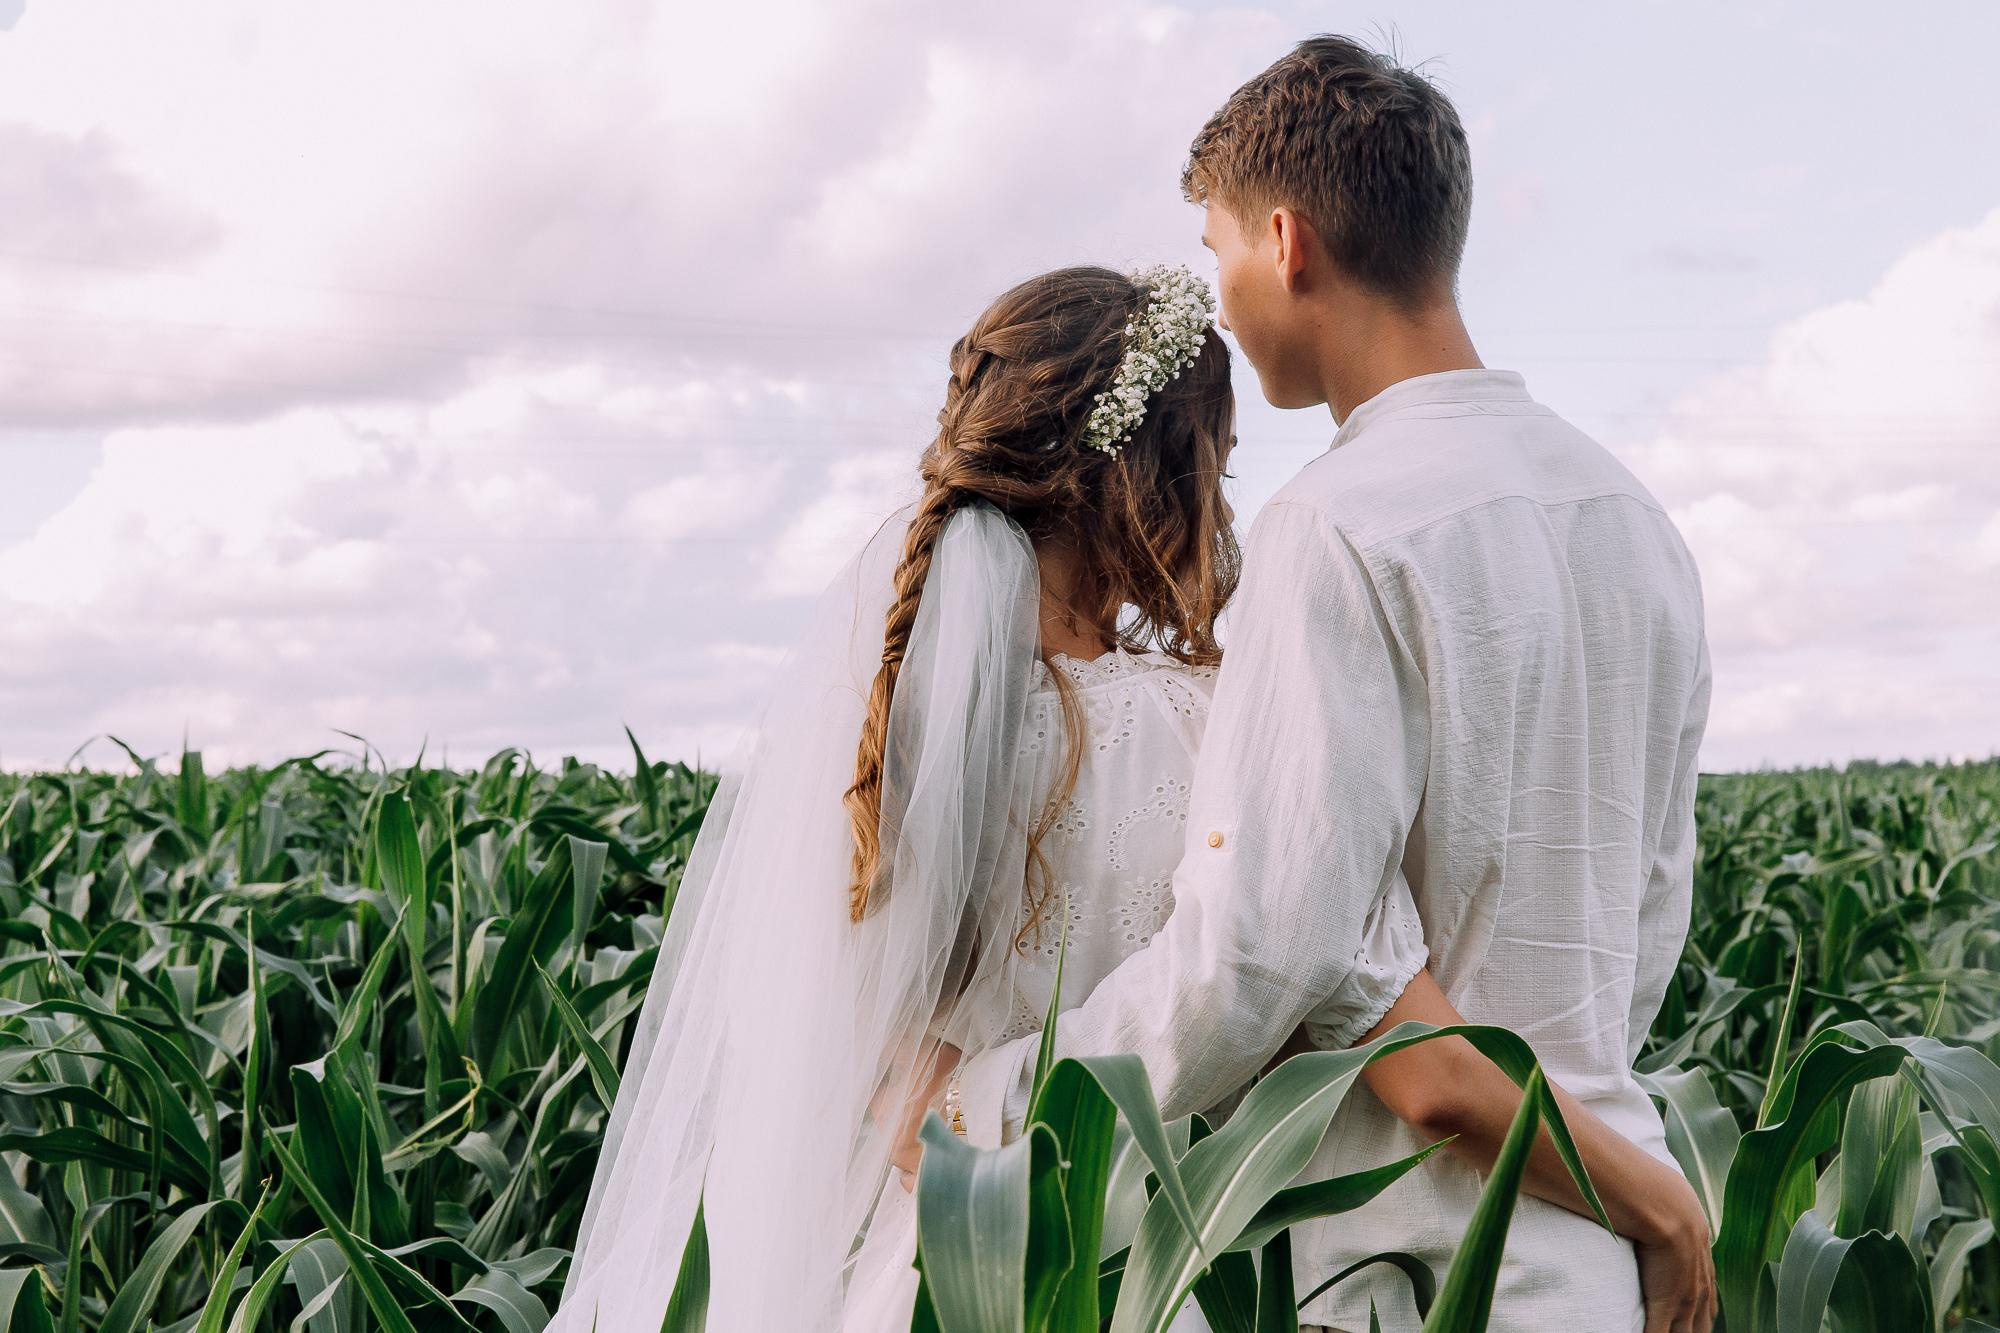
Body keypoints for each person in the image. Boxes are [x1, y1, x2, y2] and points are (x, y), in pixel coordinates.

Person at [946, 35, 1719, 1333]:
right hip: (1593, 1266)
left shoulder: (1335, 529)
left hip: (1407, 1274)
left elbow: (1255, 953)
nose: (1223, 306)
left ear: (1288, 243)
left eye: (1219, 254)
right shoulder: (1640, 526)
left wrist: (993, 1097)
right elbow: (1645, 926)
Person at [549, 262, 1253, 1331]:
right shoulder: (1200, 723)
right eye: (1215, 466)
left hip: (927, 1247)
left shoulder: (885, 716)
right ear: (1142, 477)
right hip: (1139, 1259)